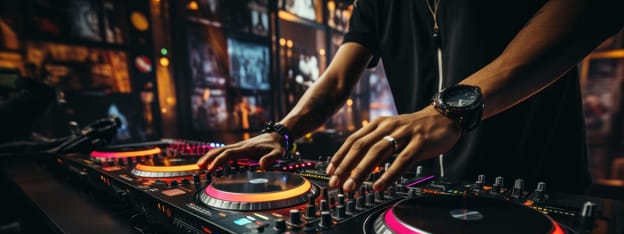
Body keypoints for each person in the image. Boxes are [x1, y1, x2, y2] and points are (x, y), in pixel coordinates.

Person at [198, 0, 624, 195]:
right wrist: (282, 132)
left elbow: (591, 11)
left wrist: (450, 111)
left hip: (541, 190)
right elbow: (337, 77)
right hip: (434, 193)